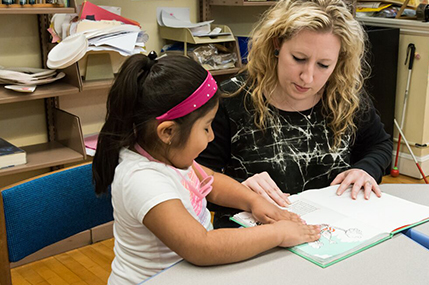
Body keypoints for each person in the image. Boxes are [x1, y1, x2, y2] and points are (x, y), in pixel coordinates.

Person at [92, 53, 320, 285]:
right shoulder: (142, 180)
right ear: (168, 132)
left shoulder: (167, 154)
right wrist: (278, 233)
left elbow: (210, 180)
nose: (211, 137)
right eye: (206, 127)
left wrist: (253, 201)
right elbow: (201, 247)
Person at [197, 0, 392, 227]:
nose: (307, 77)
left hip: (332, 232)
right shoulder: (231, 98)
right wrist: (241, 190)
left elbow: (379, 145)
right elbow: (196, 173)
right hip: (253, 241)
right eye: (299, 59)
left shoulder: (344, 96)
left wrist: (364, 170)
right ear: (276, 45)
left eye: (324, 65)